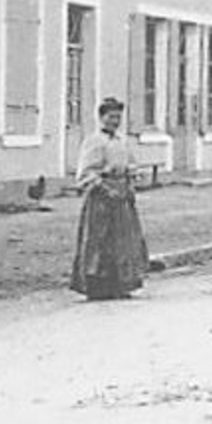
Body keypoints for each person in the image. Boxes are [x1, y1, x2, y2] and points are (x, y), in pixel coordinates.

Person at [69, 97, 151, 300]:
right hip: (102, 200)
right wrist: (105, 188)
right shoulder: (94, 141)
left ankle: (119, 285)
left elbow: (131, 164)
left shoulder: (121, 141)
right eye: (111, 117)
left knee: (123, 242)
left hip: (122, 198)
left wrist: (132, 177)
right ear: (101, 118)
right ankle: (97, 287)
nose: (115, 121)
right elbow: (86, 173)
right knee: (99, 242)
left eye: (118, 118)